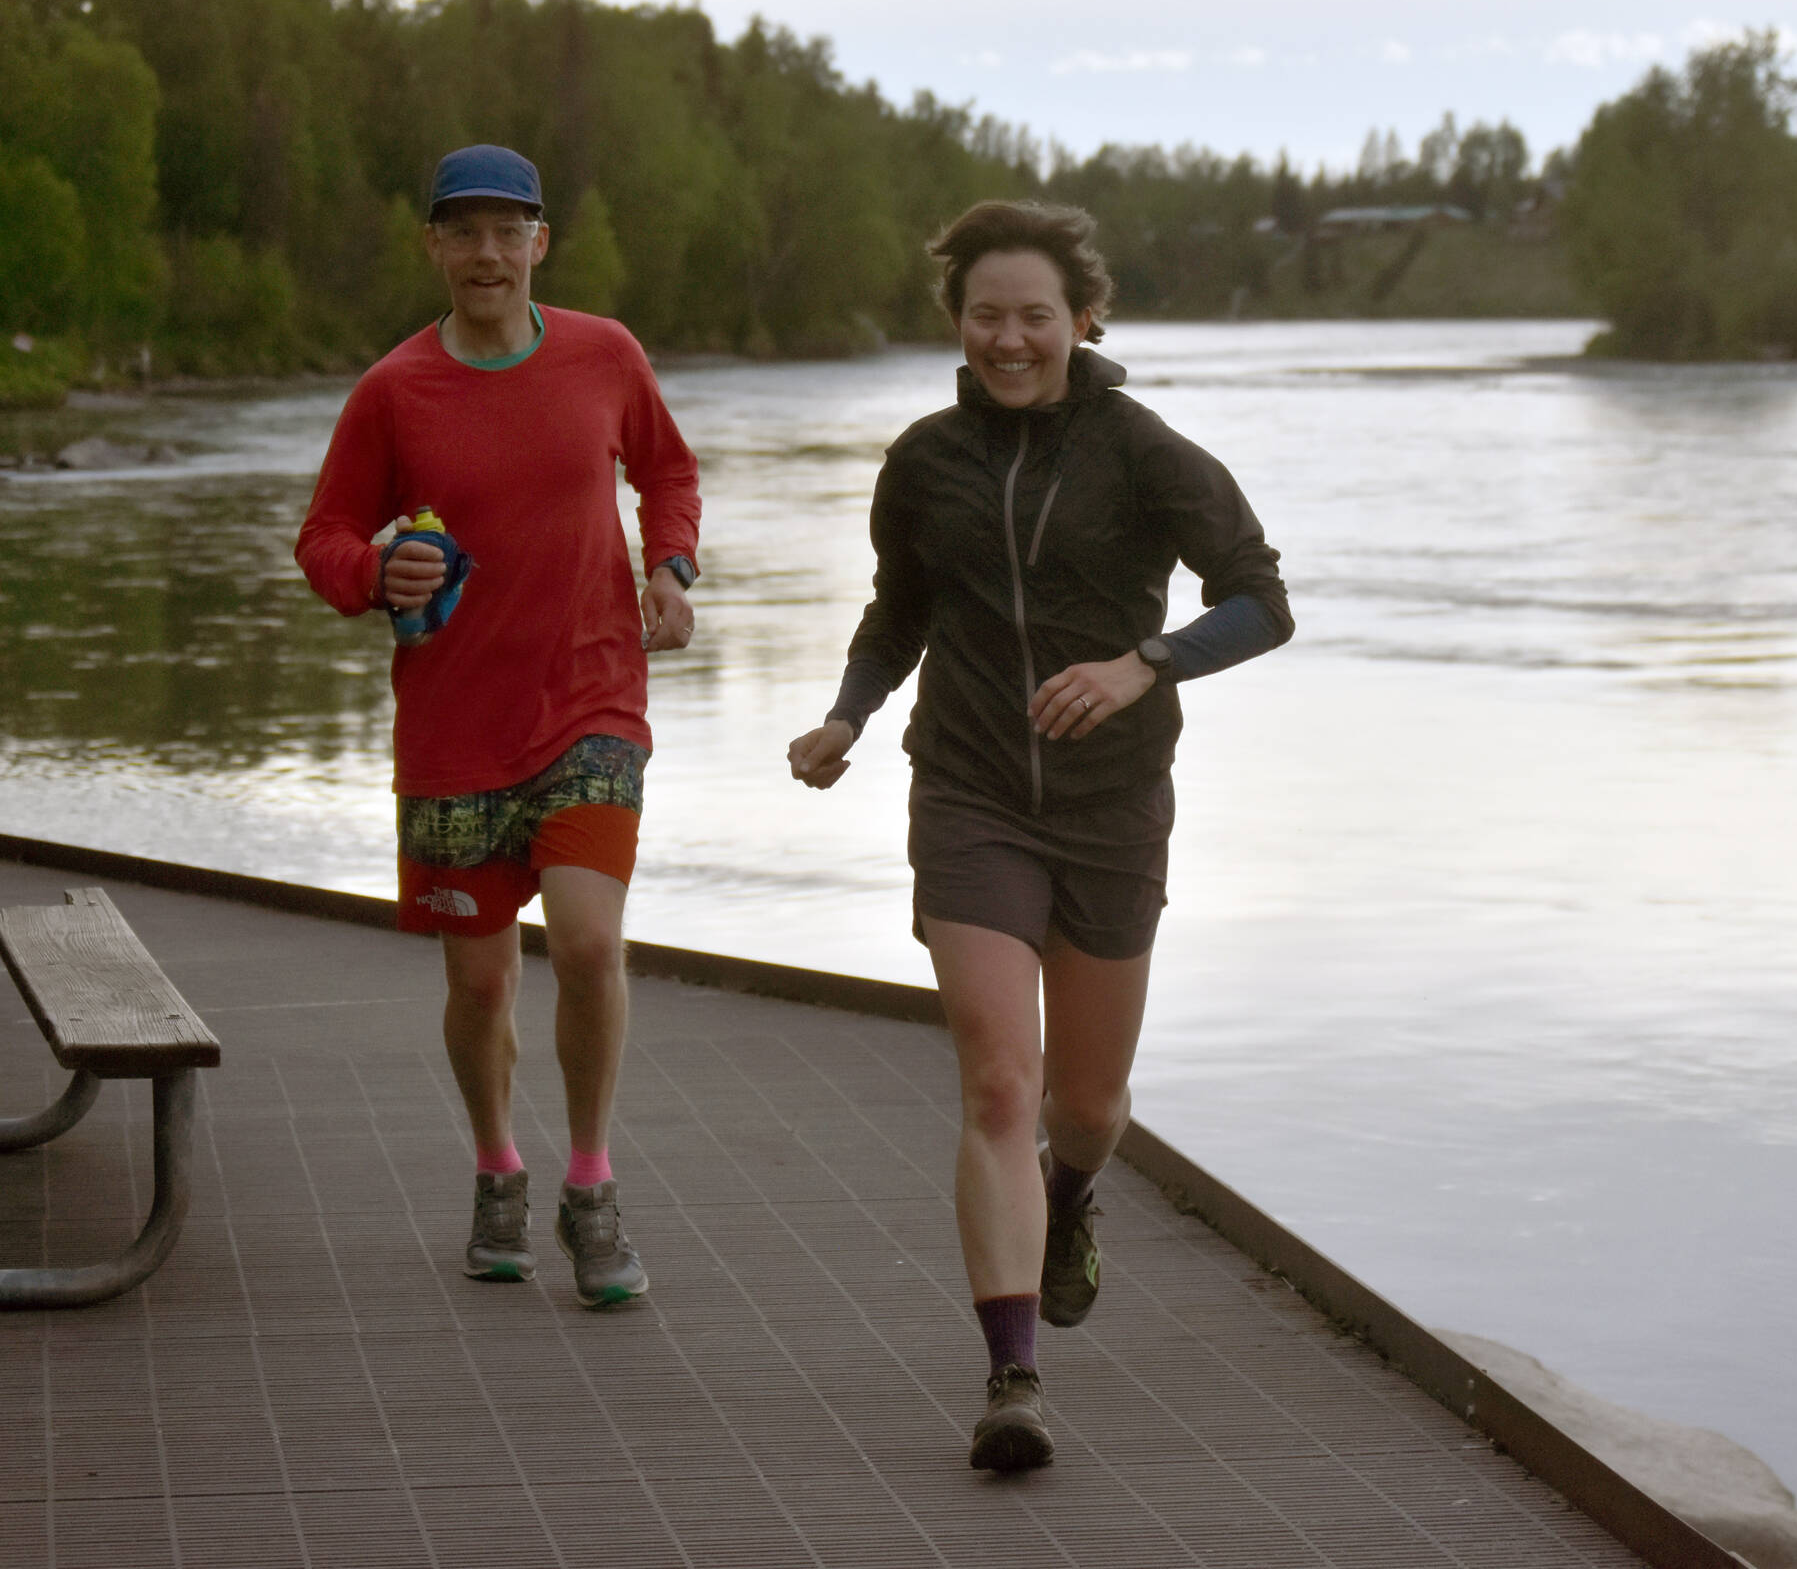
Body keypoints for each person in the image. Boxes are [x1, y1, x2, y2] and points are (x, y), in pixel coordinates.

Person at [786, 200, 1292, 1469]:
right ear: (957, 323)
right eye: (985, 316)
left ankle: (1070, 1199)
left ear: (1082, 320)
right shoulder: (922, 461)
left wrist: (1143, 663)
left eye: (1033, 316)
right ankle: (1012, 1374)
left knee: (1085, 1100)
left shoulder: (1142, 451)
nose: (1008, 339)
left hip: (1112, 803)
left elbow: (1262, 602)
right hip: (967, 791)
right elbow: (900, 608)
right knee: (1000, 1079)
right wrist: (848, 714)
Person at [295, 145, 702, 1308]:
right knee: (478, 986)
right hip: (452, 726)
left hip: (591, 701)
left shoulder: (603, 353)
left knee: (584, 942)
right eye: (461, 231)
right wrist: (375, 568)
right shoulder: (392, 390)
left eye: (505, 229)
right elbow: (323, 537)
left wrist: (670, 566)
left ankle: (590, 1183)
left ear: (538, 242)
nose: (485, 252)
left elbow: (666, 472)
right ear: (432, 245)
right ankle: (495, 1167)